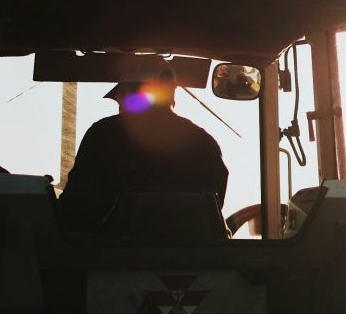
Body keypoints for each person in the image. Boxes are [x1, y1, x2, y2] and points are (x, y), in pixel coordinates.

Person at [57, 64, 228, 234]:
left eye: (120, 97)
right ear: (171, 94)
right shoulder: (205, 143)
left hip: (111, 256)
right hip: (197, 256)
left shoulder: (102, 134)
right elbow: (213, 206)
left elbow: (74, 208)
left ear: (130, 94)